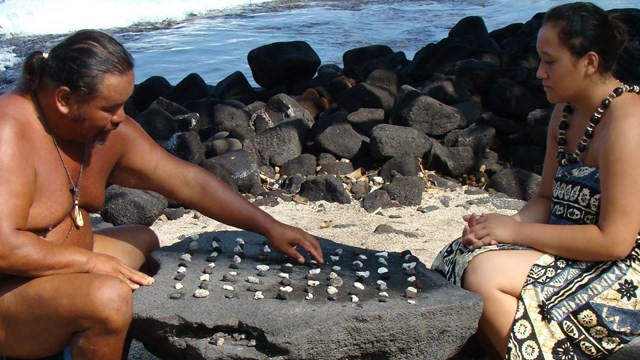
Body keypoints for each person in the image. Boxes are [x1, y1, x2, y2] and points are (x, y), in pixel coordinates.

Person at [0, 29, 324, 359]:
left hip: (55, 263)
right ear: (65, 99)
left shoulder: (106, 133)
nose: (121, 118)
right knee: (108, 298)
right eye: (110, 107)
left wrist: (269, 226)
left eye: (124, 104)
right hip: (8, 289)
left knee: (143, 241)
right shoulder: (8, 133)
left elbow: (187, 181)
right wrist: (90, 262)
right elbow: (4, 248)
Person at [432, 2, 640, 359]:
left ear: (589, 62)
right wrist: (498, 226)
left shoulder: (628, 123)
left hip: (622, 270)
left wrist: (516, 233)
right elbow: (546, 198)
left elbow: (615, 241)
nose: (540, 72)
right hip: (570, 249)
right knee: (460, 253)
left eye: (550, 61)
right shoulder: (565, 111)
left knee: (485, 274)